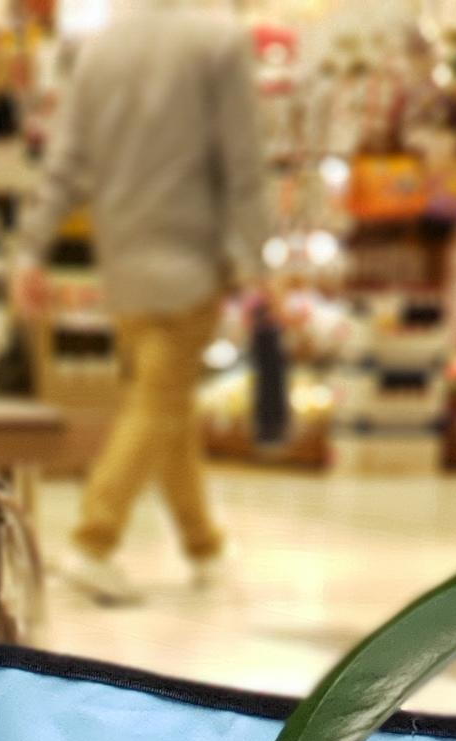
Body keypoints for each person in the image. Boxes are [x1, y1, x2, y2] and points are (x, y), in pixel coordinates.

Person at [17, 0, 270, 603]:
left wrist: (31, 248)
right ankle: (93, 541)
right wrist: (259, 262)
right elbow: (243, 164)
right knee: (157, 404)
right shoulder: (220, 41)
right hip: (191, 263)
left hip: (123, 263)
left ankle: (204, 545)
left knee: (164, 402)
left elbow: (66, 162)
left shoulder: (99, 48)